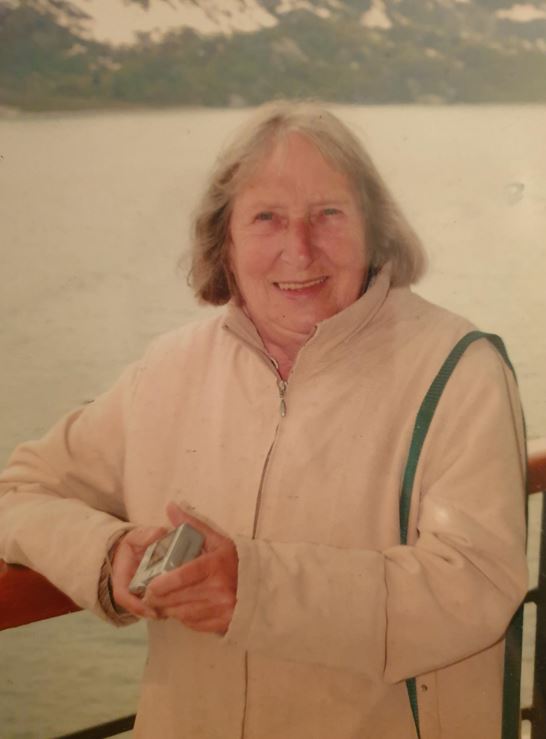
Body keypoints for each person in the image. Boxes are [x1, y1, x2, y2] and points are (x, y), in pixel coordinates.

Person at [0, 100, 527, 739]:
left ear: (375, 230)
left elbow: (477, 585)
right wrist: (107, 555)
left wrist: (256, 590)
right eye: (267, 218)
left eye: (328, 214)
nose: (298, 250)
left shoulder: (458, 370)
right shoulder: (167, 371)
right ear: (224, 241)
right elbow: (18, 490)